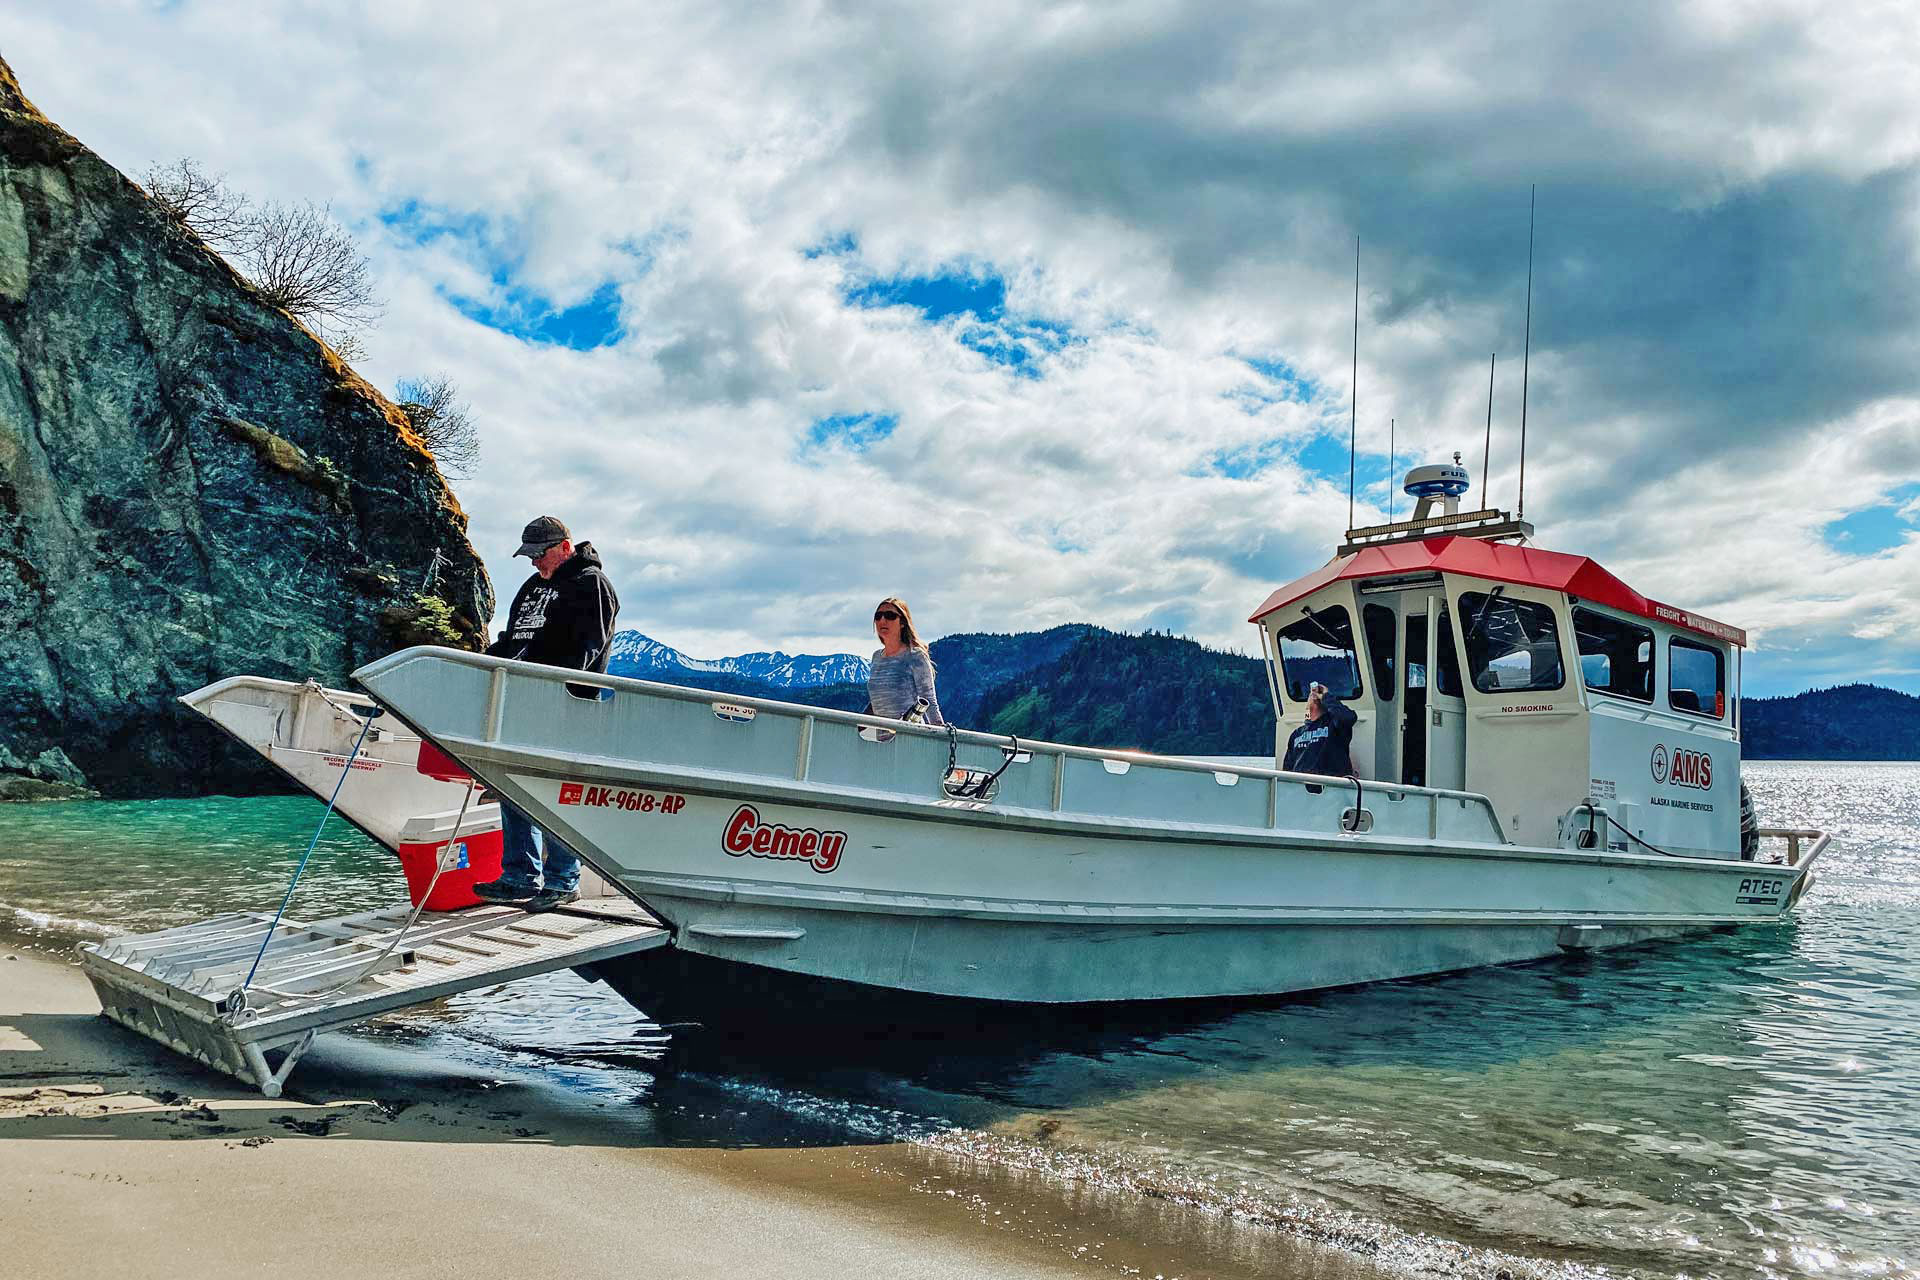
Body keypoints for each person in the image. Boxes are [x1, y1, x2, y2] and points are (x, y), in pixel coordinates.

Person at [471, 515, 620, 912]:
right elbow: (511, 641)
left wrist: (545, 685)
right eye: (530, 556)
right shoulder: (534, 586)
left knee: (554, 792)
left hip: (563, 707)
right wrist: (475, 667)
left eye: (540, 554)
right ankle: (519, 875)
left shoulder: (592, 585)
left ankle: (562, 880)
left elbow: (586, 650)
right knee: (511, 785)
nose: (535, 562)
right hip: (518, 703)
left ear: (564, 547)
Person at [865, 596, 943, 726]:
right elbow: (877, 701)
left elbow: (928, 700)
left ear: (902, 622)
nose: (882, 620)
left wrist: (941, 738)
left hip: (910, 738)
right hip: (881, 740)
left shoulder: (915, 656)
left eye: (890, 615)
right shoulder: (876, 657)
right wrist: (855, 727)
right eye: (878, 616)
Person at [1282, 681, 1356, 777]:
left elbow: (1348, 717)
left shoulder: (1334, 726)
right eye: (1310, 695)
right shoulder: (1296, 733)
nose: (1313, 695)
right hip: (1300, 787)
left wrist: (1326, 696)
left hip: (1329, 787)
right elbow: (1287, 768)